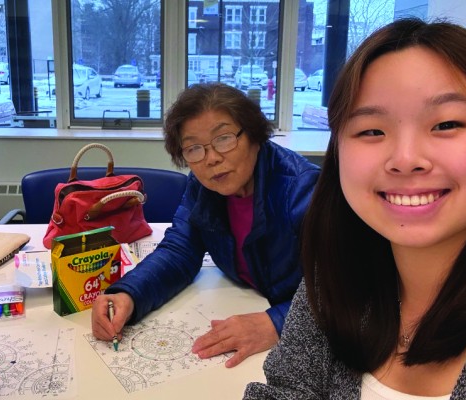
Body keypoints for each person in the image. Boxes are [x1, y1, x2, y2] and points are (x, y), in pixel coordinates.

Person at [244, 18, 466, 399]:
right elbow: (287, 389)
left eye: (446, 124)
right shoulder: (336, 278)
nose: (405, 159)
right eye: (372, 131)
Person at [91, 82, 320, 367]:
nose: (211, 158)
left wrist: (275, 323)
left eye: (224, 138)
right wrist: (128, 293)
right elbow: (179, 252)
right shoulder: (203, 187)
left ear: (254, 135)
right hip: (242, 306)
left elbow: (348, 288)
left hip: (304, 335)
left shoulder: (304, 190)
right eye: (194, 148)